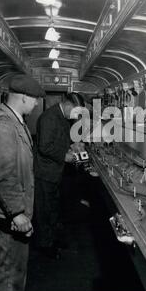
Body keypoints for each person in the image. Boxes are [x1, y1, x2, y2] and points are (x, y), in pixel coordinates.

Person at [0, 74, 45, 291]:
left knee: (15, 279)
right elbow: (4, 176)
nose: (37, 103)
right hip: (8, 218)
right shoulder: (4, 126)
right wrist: (18, 214)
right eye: (35, 98)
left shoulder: (15, 122)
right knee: (6, 282)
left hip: (13, 215)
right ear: (24, 97)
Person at [33, 93, 85, 259]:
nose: (76, 116)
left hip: (55, 172)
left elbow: (60, 139)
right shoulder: (49, 117)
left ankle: (52, 239)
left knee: (53, 209)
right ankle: (45, 245)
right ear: (67, 104)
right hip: (45, 173)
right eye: (76, 111)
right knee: (44, 211)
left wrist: (73, 145)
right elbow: (44, 147)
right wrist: (65, 155)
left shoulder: (62, 116)